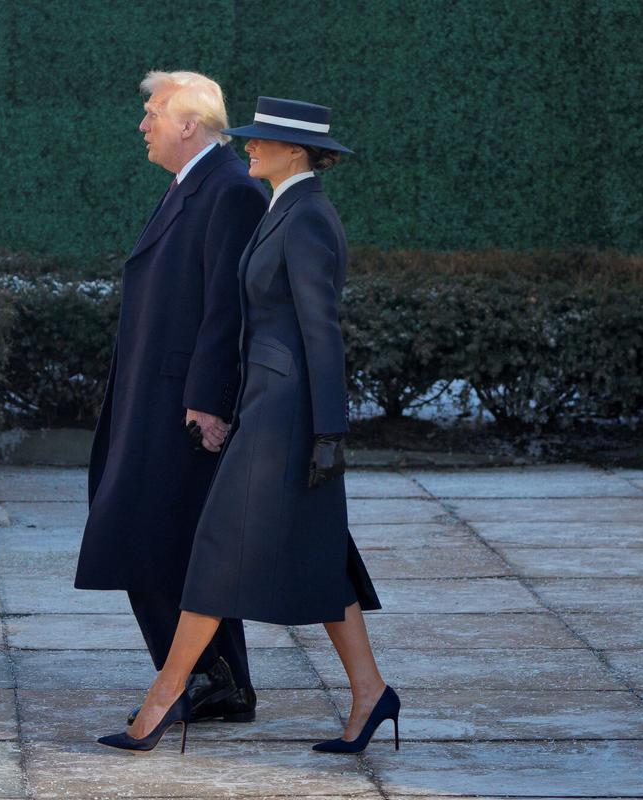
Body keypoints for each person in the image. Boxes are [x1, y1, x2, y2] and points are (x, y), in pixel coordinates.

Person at [98, 97, 399, 756]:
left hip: (285, 418)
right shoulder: (282, 208)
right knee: (323, 559)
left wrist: (328, 433)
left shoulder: (309, 217)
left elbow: (323, 334)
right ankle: (372, 692)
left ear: (293, 151)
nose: (249, 147)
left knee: (214, 550)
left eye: (261, 140)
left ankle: (165, 696)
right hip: (266, 406)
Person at [74, 71, 268, 725]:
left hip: (182, 407)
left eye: (153, 112)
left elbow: (228, 305)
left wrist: (211, 400)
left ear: (189, 123)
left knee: (151, 538)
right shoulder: (191, 187)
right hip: (154, 400)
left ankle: (208, 678)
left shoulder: (231, 191)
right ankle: (222, 681)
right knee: (167, 541)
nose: (143, 124)